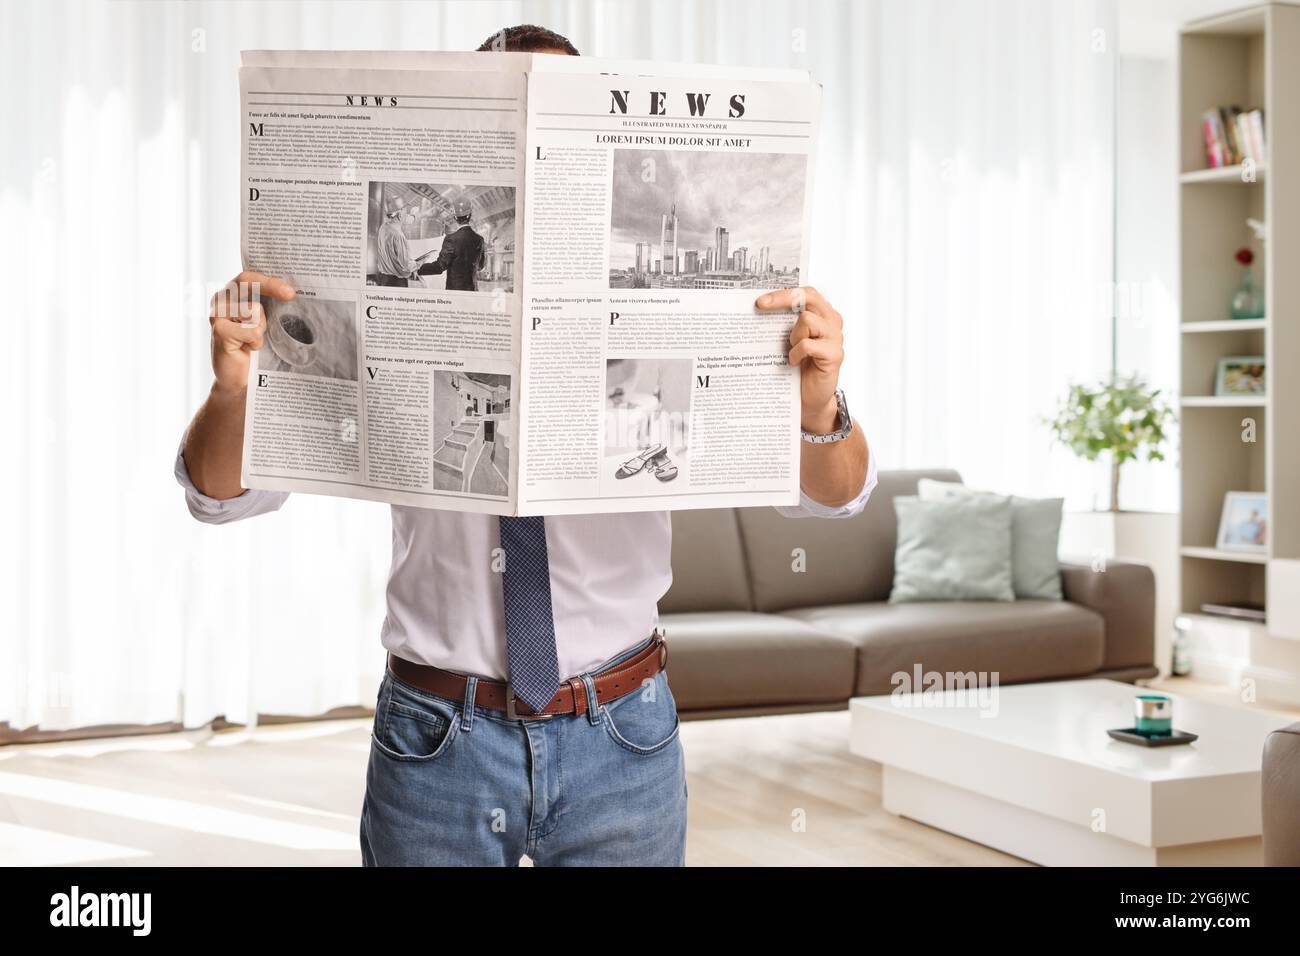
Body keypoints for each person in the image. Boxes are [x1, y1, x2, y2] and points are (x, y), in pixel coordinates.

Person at [177, 23, 875, 867]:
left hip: (623, 735)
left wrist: (820, 400)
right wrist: (233, 387)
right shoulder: (430, 260)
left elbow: (834, 498)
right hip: (437, 739)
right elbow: (218, 497)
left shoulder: (672, 307)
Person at [417, 198, 487, 291]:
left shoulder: (451, 239)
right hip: (472, 291)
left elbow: (439, 267)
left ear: (455, 217)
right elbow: (481, 266)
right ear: (470, 215)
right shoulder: (480, 240)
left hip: (454, 291)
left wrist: (417, 268)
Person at [374, 202, 417, 287]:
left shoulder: (383, 227)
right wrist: (417, 265)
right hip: (396, 282)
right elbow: (406, 266)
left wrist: (413, 214)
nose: (407, 214)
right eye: (405, 211)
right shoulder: (398, 236)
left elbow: (407, 221)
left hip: (383, 279)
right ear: (400, 215)